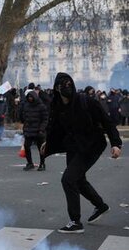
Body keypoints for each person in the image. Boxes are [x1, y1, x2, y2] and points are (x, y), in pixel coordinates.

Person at [42, 72, 122, 234]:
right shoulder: (57, 105)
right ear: (57, 88)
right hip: (74, 146)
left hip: (92, 145)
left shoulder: (86, 101)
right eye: (63, 85)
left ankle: (75, 221)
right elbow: (54, 127)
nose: (67, 88)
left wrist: (116, 144)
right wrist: (47, 142)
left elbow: (107, 122)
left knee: (68, 179)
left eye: (69, 84)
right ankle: (100, 206)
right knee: (78, 180)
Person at [20, 90, 48, 171]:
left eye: (31, 97)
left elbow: (45, 119)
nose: (30, 98)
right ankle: (30, 163)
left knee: (41, 148)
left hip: (39, 130)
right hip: (29, 130)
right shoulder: (26, 105)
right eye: (29, 97)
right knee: (26, 146)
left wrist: (41, 129)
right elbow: (23, 117)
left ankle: (42, 163)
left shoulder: (41, 106)